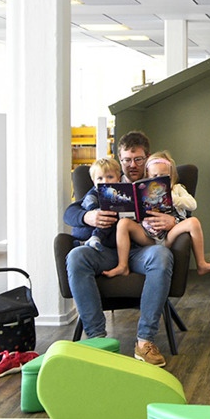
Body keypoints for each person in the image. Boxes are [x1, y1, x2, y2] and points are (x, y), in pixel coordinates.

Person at [63, 131, 178, 366]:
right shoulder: (107, 181)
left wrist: (173, 221)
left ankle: (145, 341)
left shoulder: (159, 181)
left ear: (147, 158)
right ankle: (97, 340)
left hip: (140, 251)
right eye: (126, 159)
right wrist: (89, 217)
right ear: (119, 159)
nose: (132, 165)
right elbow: (70, 213)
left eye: (138, 159)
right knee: (76, 256)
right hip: (105, 251)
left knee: (162, 256)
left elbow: (184, 212)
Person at [103, 150, 210, 278]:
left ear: (171, 175)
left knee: (194, 222)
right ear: (148, 175)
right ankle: (122, 266)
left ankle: (201, 264)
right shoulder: (143, 190)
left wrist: (173, 198)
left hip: (168, 236)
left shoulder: (177, 189)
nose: (158, 179)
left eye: (163, 176)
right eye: (154, 176)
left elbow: (193, 204)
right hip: (147, 236)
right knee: (123, 223)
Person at [80, 156, 123, 252]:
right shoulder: (93, 194)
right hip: (93, 225)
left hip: (111, 233)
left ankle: (84, 242)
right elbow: (90, 205)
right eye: (100, 178)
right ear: (94, 181)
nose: (105, 181)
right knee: (107, 216)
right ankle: (94, 237)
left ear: (118, 179)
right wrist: (96, 210)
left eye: (110, 177)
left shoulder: (117, 193)